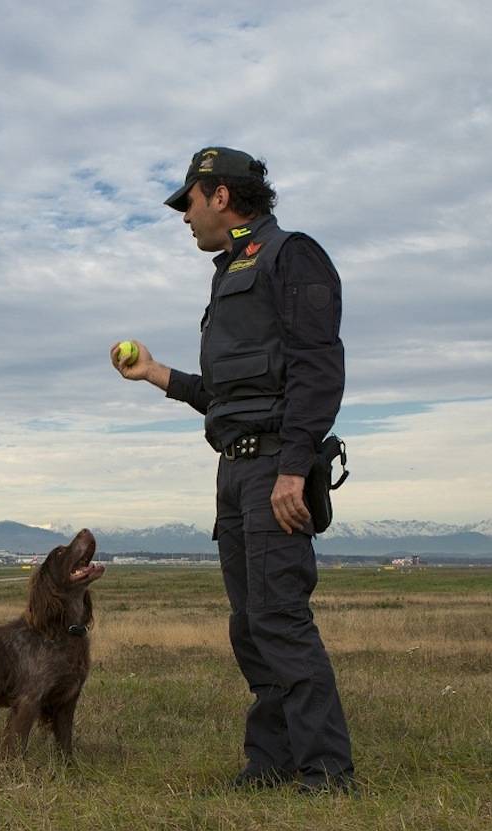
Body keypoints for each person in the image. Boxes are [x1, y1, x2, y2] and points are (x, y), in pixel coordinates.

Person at [111, 147, 354, 793]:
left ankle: (327, 774)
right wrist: (153, 373)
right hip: (235, 468)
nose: (184, 216)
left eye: (188, 202)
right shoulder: (228, 275)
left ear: (220, 195)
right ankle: (271, 764)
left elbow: (318, 366)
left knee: (279, 618)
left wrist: (293, 468)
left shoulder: (290, 255)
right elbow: (227, 396)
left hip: (275, 465)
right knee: (250, 626)